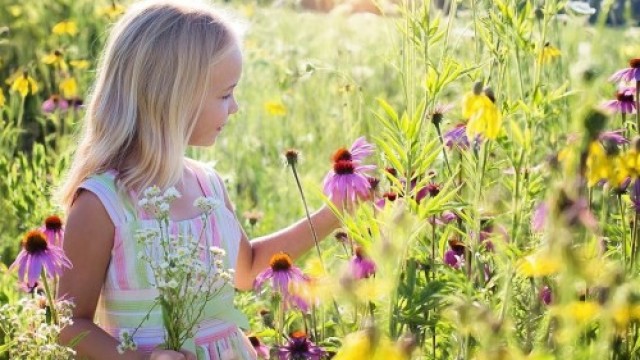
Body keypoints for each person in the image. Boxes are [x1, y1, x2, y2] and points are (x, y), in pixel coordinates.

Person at [56, 1, 344, 359]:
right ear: (173, 98)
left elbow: (248, 269)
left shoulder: (208, 184)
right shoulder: (103, 203)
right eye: (225, 94)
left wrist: (333, 213)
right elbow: (69, 324)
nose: (235, 107)